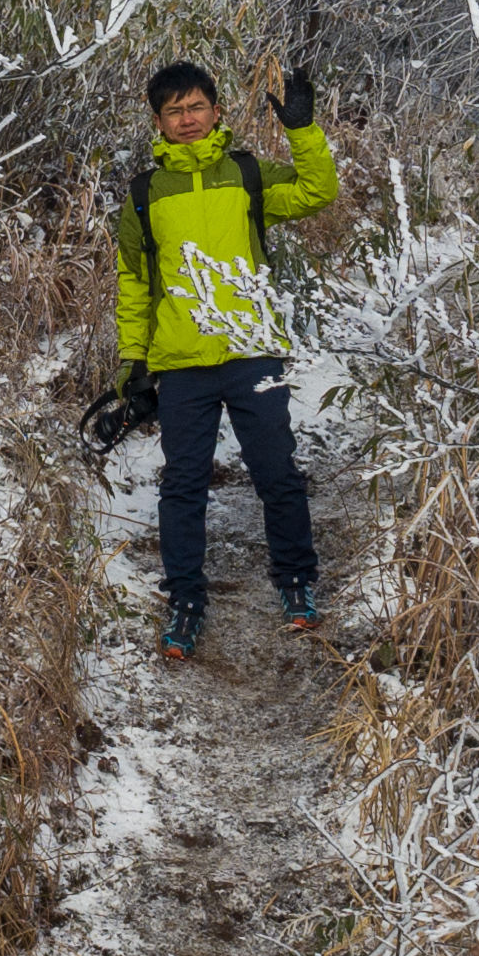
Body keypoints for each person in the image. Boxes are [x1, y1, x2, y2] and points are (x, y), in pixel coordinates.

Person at [103, 58, 338, 659]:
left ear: (216, 110)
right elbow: (134, 283)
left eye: (196, 107)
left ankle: (296, 586)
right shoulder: (142, 195)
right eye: (173, 111)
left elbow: (318, 191)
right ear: (157, 120)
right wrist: (135, 365)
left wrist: (303, 132)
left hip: (253, 352)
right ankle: (184, 601)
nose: (186, 119)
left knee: (277, 474)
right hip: (181, 363)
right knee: (182, 486)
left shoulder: (249, 175)